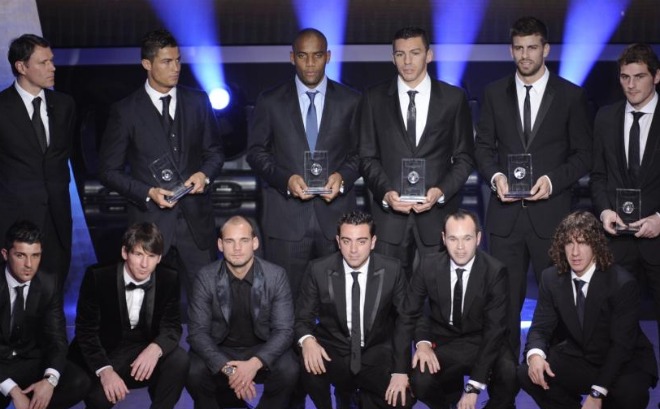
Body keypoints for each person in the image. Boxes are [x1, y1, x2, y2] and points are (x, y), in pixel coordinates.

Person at [474, 16, 592, 360]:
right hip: (505, 218)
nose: (525, 55)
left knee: (560, 303)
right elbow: (483, 148)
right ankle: (505, 387)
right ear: (511, 51)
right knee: (503, 307)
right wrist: (496, 177)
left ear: (546, 49)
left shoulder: (570, 95)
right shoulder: (494, 93)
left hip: (551, 218)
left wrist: (552, 181)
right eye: (519, 48)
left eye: (532, 47)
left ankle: (555, 379)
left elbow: (584, 155)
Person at [518, 211, 658, 409]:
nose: (575, 252)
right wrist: (536, 355)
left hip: (624, 361)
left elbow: (621, 346)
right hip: (582, 355)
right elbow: (540, 326)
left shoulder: (621, 282)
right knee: (527, 371)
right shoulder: (551, 278)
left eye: (582, 243)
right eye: (569, 243)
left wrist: (596, 393)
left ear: (595, 246)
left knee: (630, 391)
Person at [98, 29, 224, 298]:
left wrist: (204, 175)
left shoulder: (198, 101)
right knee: (152, 305)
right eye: (167, 62)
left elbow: (214, 152)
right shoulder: (125, 111)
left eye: (178, 60)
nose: (175, 68)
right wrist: (147, 192)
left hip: (196, 224)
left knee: (207, 302)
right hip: (149, 226)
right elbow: (108, 171)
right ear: (147, 64)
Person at [247, 27, 361, 297]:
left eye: (317, 55)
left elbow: (361, 153)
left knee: (338, 303)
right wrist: (285, 180)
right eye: (302, 55)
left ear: (328, 56)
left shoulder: (352, 101)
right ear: (292, 57)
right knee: (285, 303)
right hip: (286, 221)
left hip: (336, 222)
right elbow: (256, 152)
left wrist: (342, 177)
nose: (310, 63)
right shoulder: (270, 101)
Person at [359, 26, 474, 278]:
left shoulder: (453, 99)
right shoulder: (373, 98)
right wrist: (386, 193)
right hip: (389, 219)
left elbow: (465, 157)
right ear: (393, 58)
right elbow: (367, 157)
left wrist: (440, 191)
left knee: (440, 296)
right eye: (400, 54)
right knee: (387, 296)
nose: (407, 61)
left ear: (429, 55)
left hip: (438, 218)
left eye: (415, 53)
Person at [395, 209, 517, 409]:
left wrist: (473, 387)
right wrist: (413, 354)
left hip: (483, 341)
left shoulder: (495, 271)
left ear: (478, 238)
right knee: (419, 377)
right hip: (444, 341)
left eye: (467, 238)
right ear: (443, 238)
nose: (460, 247)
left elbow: (495, 331)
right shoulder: (429, 266)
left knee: (510, 371)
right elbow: (408, 315)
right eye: (453, 239)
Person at [69, 223, 189, 409]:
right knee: (98, 400)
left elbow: (172, 326)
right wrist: (105, 371)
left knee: (179, 360)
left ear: (159, 258)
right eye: (138, 254)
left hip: (143, 350)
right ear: (125, 252)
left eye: (151, 256)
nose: (144, 264)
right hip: (107, 352)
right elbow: (85, 331)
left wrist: (155, 348)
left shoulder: (169, 277)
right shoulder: (98, 276)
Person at [295, 211, 412, 409]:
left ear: (373, 242)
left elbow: (405, 319)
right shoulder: (318, 269)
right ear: (338, 241)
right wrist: (307, 340)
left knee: (403, 403)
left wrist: (400, 370)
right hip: (334, 351)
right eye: (347, 241)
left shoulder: (392, 269)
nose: (354, 249)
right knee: (306, 359)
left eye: (361, 241)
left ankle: (362, 405)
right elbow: (301, 319)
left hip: (375, 353)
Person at [186, 216, 297, 409]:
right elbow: (197, 333)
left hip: (260, 348)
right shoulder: (206, 277)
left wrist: (253, 364)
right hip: (221, 349)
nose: (237, 248)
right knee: (192, 368)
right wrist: (229, 370)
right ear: (220, 245)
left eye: (244, 240)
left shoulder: (275, 276)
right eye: (230, 241)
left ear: (255, 243)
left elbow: (284, 330)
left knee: (290, 367)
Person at [590, 43, 660, 342]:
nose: (631, 85)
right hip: (617, 241)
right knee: (614, 329)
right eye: (624, 77)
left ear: (656, 76)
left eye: (639, 76)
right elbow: (598, 175)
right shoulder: (606, 117)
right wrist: (605, 210)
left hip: (658, 239)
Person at [0, 221, 89, 409]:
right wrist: (13, 391)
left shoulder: (48, 282)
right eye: (20, 255)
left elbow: (57, 339)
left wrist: (49, 381)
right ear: (5, 254)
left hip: (29, 360)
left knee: (78, 380)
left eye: (35, 256)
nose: (29, 265)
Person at [0, 34, 76, 285]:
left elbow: (65, 156)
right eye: (43, 62)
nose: (52, 67)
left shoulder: (64, 105)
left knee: (54, 294)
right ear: (21, 67)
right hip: (12, 223)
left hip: (57, 221)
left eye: (51, 61)